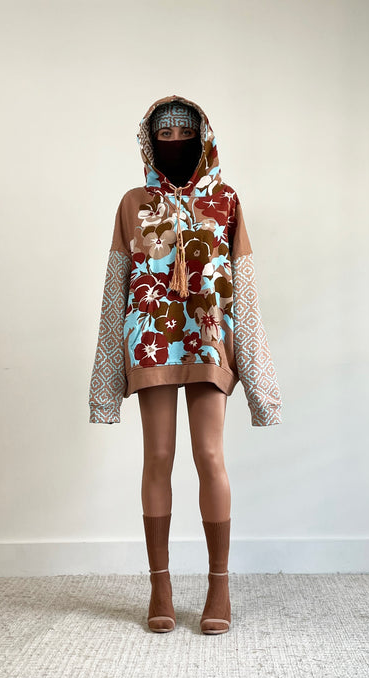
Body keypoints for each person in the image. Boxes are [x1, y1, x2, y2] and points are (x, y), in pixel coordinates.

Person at [89, 95, 282, 634]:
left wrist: (260, 384)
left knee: (209, 454)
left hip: (208, 339)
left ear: (204, 137)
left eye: (185, 131)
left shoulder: (226, 200)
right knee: (158, 455)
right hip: (150, 341)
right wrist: (104, 383)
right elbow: (115, 289)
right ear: (150, 141)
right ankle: (161, 585)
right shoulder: (132, 203)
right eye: (164, 132)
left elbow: (244, 289)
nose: (175, 140)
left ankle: (219, 585)